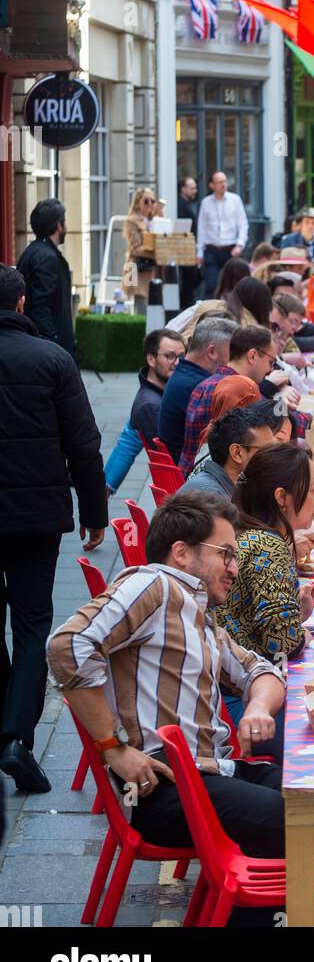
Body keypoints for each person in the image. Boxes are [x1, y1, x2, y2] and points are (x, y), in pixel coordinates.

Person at [47, 490, 314, 891]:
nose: (234, 567)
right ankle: (266, 913)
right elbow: (67, 644)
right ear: (181, 553)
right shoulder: (154, 585)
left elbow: (261, 670)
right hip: (165, 787)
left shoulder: (196, 612)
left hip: (210, 772)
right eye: (226, 554)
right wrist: (112, 747)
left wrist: (258, 710)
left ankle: (272, 909)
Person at [0, 264, 107, 793]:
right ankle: (16, 737)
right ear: (22, 305)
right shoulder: (52, 359)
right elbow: (84, 446)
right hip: (33, 518)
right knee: (30, 625)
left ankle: (7, 730)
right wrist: (94, 514)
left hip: (26, 514)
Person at [217, 446, 314, 755]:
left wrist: (296, 614)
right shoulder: (268, 545)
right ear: (282, 497)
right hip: (239, 702)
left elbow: (253, 617)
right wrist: (298, 633)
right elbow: (281, 642)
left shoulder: (246, 531)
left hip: (225, 687)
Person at [179, 325, 296, 476]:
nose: (271, 370)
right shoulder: (241, 389)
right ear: (252, 356)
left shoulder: (206, 384)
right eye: (271, 362)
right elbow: (274, 422)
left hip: (189, 474)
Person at [104, 329, 187, 494]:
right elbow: (175, 457)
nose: (177, 363)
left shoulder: (161, 392)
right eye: (170, 356)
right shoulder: (150, 406)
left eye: (182, 357)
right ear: (151, 358)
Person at [157, 316, 237, 462]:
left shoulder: (185, 374)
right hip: (191, 476)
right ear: (212, 352)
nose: (236, 358)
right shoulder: (200, 386)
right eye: (233, 352)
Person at [185, 399, 292, 498]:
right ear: (237, 453)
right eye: (267, 449)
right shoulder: (211, 498)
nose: (275, 454)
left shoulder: (233, 483)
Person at [16, 198, 76, 357]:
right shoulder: (46, 257)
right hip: (48, 350)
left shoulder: (32, 251)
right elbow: (40, 306)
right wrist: (53, 343)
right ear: (58, 225)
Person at [196, 171, 250, 297]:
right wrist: (199, 252)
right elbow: (202, 228)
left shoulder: (235, 200)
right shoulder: (206, 202)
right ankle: (209, 311)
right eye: (220, 182)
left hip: (230, 248)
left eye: (225, 181)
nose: (223, 185)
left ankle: (233, 310)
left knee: (233, 284)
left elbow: (243, 224)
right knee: (211, 284)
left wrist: (240, 245)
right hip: (211, 249)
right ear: (212, 185)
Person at [121, 188, 158, 316]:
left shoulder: (156, 220)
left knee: (155, 308)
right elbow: (135, 248)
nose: (150, 204)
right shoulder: (132, 220)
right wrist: (157, 252)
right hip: (137, 267)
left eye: (153, 201)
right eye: (146, 201)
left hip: (153, 268)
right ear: (138, 202)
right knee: (141, 309)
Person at [176, 177, 201, 311]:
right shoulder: (180, 205)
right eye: (192, 188)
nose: (195, 191)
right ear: (183, 189)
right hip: (185, 250)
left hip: (190, 248)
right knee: (188, 281)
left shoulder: (189, 204)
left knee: (191, 280)